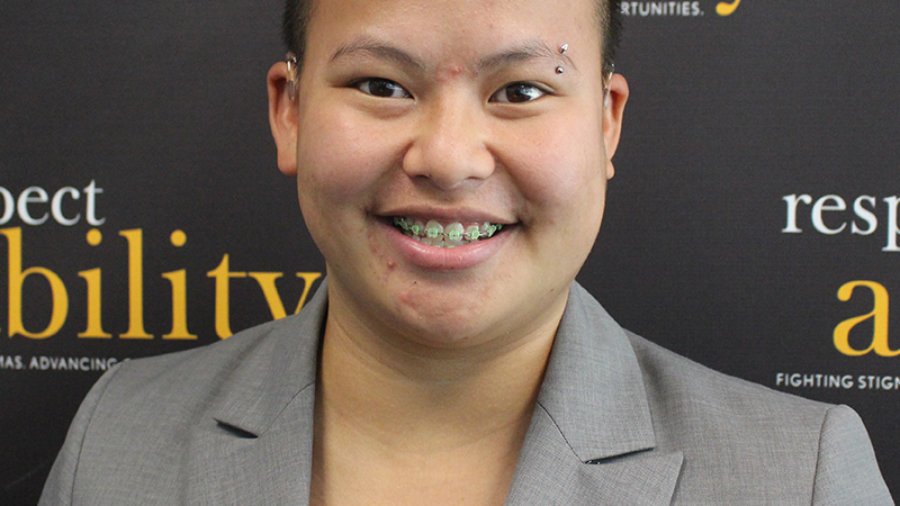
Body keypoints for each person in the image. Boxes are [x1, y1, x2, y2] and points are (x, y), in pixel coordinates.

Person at [41, 0, 892, 504]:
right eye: (381, 86)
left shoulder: (798, 477)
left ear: (607, 123)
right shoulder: (122, 437)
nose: (448, 158)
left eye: (520, 91)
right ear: (289, 111)